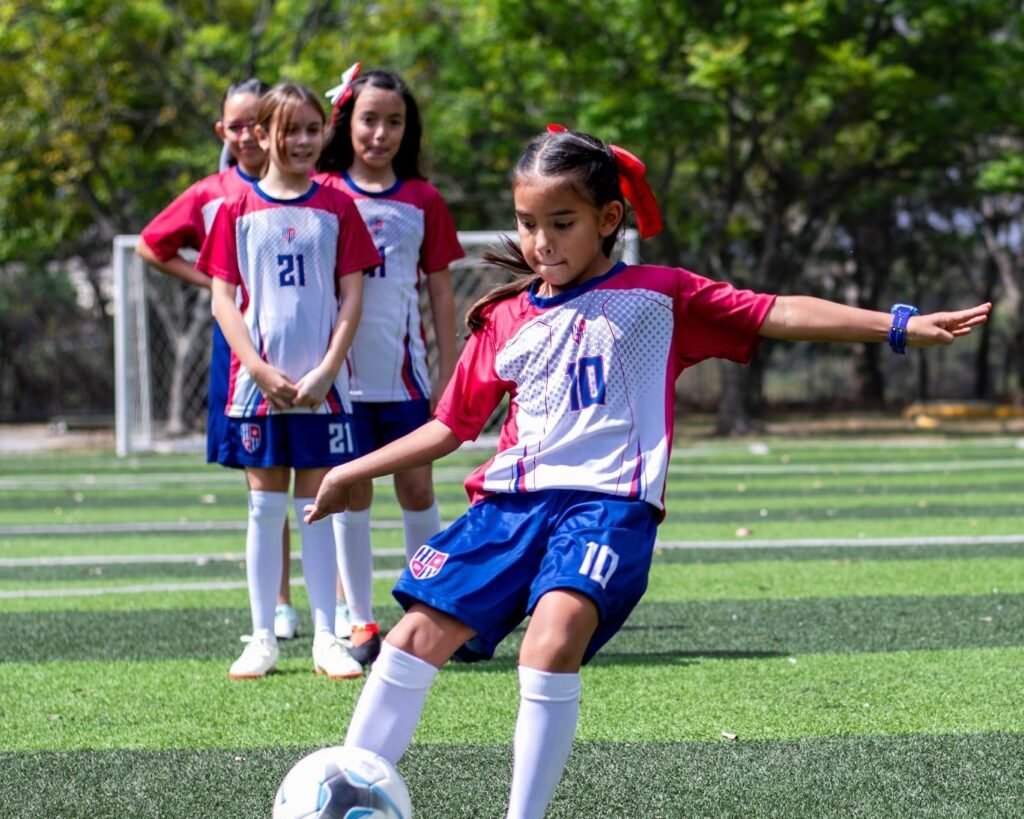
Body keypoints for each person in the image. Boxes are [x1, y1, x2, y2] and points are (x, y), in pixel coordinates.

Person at [303, 126, 991, 816]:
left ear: (608, 221)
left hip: (607, 509)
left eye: (561, 223)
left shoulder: (660, 297)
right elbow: (450, 426)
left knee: (551, 638)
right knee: (413, 635)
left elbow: (778, 312)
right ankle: (349, 791)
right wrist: (349, 471)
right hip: (507, 508)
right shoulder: (503, 317)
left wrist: (898, 325)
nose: (542, 242)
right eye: (528, 223)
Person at [196, 81, 382, 680]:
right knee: (262, 509)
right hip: (258, 388)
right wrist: (255, 367)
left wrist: (328, 368)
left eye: (311, 129)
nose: (302, 140)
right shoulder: (236, 208)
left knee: (317, 507)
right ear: (260, 133)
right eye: (289, 129)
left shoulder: (338, 206)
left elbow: (353, 297)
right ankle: (262, 638)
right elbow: (224, 300)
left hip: (325, 390)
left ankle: (326, 637)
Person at [135, 79, 303, 643]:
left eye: (259, 122)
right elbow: (150, 245)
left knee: (322, 475)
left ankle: (341, 605)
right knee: (265, 482)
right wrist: (211, 283)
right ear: (222, 132)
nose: (249, 135)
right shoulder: (213, 193)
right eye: (236, 125)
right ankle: (279, 603)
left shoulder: (309, 188)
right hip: (243, 350)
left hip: (307, 347)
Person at [315, 65, 464, 666]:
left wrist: (450, 368)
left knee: (417, 484)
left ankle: (425, 613)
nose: (380, 132)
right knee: (350, 491)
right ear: (346, 120)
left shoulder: (422, 199)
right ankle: (360, 622)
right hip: (338, 383)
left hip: (404, 379)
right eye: (368, 119)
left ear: (409, 129)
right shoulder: (322, 191)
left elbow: (442, 291)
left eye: (394, 121)